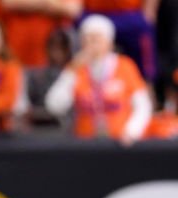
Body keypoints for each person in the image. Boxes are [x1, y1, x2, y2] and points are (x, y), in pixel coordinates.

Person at [44, 13, 152, 144]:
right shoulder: (76, 68)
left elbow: (142, 105)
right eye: (86, 39)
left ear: (109, 41)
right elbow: (54, 106)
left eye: (96, 39)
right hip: (85, 143)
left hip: (119, 142)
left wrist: (131, 131)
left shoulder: (124, 65)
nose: (91, 44)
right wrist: (70, 72)